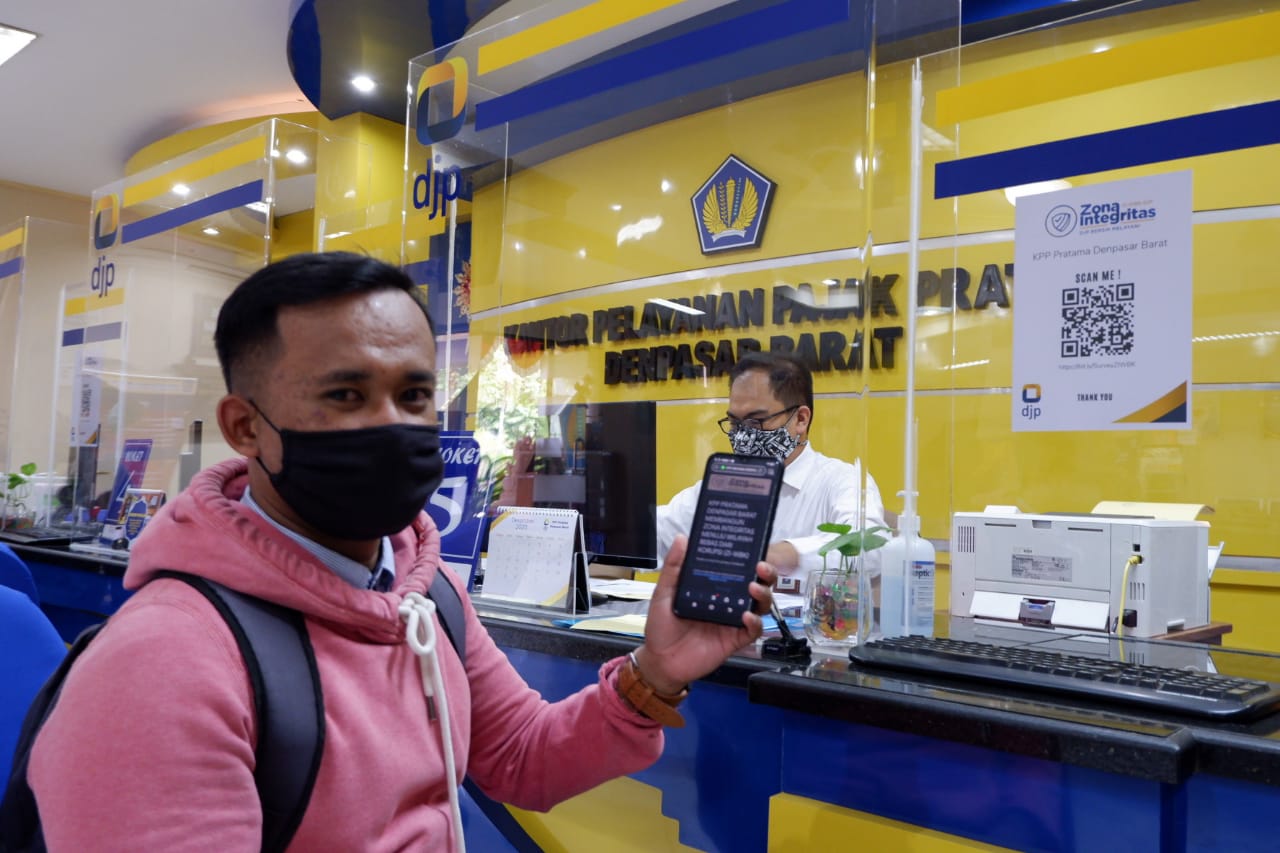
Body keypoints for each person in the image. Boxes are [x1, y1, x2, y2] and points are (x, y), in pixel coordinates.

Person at [28, 252, 774, 851]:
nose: (392, 424)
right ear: (244, 427)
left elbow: (522, 755)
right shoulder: (163, 663)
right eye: (345, 395)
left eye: (413, 396)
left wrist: (655, 674)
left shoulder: (425, 588)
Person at [656, 351, 886, 581]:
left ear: (800, 419)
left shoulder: (841, 480)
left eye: (756, 421)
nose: (742, 436)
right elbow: (657, 534)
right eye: (735, 423)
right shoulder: (721, 484)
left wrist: (781, 555)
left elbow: (872, 546)